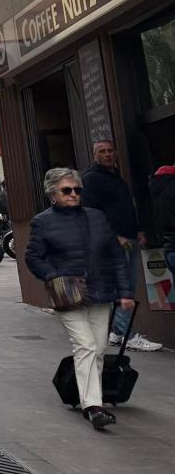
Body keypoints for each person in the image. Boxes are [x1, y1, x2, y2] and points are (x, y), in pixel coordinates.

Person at [25, 167, 135, 431]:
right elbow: (33, 257)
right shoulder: (43, 222)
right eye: (67, 190)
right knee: (85, 345)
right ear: (53, 194)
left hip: (101, 291)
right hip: (68, 295)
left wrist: (126, 293)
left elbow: (116, 257)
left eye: (77, 190)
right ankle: (93, 407)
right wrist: (53, 276)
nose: (74, 194)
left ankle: (90, 398)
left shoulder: (97, 217)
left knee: (98, 348)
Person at [82, 141, 162, 351]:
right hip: (116, 242)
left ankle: (117, 332)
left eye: (110, 151)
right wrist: (114, 237)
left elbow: (124, 207)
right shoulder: (92, 179)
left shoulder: (115, 177)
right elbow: (90, 213)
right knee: (124, 286)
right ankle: (128, 334)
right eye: (102, 151)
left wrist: (138, 230)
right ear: (94, 155)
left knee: (128, 285)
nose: (108, 154)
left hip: (130, 237)